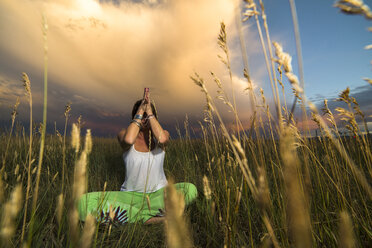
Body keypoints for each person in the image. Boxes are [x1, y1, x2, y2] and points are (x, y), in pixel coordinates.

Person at [78, 90, 197, 225]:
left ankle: (133, 215)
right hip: (129, 196)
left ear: (154, 117)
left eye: (148, 115)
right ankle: (152, 218)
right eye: (141, 115)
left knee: (190, 189)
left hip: (159, 194)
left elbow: (163, 139)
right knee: (82, 202)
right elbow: (128, 140)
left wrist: (149, 112)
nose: (145, 119)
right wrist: (141, 109)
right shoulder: (124, 134)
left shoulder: (162, 134)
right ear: (135, 116)